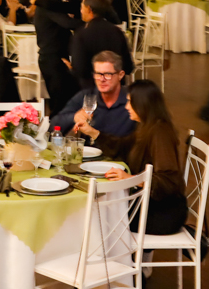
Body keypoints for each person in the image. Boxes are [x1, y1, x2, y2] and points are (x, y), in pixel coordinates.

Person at [74, 79, 186, 236]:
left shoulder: (160, 132)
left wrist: (130, 179)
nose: (126, 107)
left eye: (130, 102)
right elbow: (123, 147)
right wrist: (92, 132)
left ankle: (105, 251)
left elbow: (170, 180)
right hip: (148, 203)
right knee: (97, 209)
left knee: (95, 213)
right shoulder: (147, 126)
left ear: (142, 104)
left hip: (163, 213)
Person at [34, 0, 83, 115]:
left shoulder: (53, 1)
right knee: (59, 105)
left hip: (56, 58)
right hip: (52, 59)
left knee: (66, 102)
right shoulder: (49, 2)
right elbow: (68, 23)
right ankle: (55, 129)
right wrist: (91, 24)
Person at [53, 51, 135, 137]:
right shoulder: (86, 96)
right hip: (89, 146)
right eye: (98, 74)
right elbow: (54, 125)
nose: (102, 79)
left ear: (120, 75)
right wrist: (74, 117)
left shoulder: (132, 99)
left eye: (107, 74)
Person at [70, 0, 134, 90]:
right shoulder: (117, 32)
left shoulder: (81, 34)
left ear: (89, 9)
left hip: (91, 89)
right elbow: (128, 67)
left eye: (82, 7)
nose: (81, 11)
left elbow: (80, 70)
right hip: (116, 88)